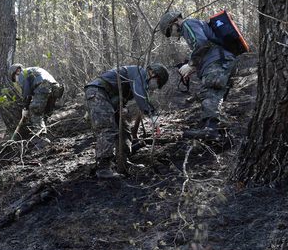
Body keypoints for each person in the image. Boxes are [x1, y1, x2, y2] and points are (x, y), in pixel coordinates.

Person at [158, 10, 237, 140]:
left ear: (175, 21)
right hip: (224, 61)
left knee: (210, 91)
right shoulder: (194, 26)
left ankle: (211, 129)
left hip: (218, 61)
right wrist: (192, 67)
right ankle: (217, 129)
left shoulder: (187, 24)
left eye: (170, 30)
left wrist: (191, 64)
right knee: (216, 94)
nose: (172, 34)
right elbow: (204, 47)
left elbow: (201, 44)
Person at [84, 63, 169, 179]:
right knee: (107, 128)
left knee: (124, 130)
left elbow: (121, 94)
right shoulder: (140, 73)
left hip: (109, 98)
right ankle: (103, 168)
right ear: (153, 73)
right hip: (97, 92)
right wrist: (151, 115)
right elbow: (140, 94)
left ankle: (122, 162)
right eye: (158, 82)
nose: (155, 86)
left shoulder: (137, 78)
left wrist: (122, 107)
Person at [8, 64, 64, 143]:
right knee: (44, 113)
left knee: (35, 111)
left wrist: (25, 108)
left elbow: (27, 93)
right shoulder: (33, 70)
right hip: (56, 88)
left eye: (15, 78)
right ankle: (46, 133)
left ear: (17, 71)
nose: (17, 80)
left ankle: (41, 139)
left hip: (43, 86)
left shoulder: (22, 73)